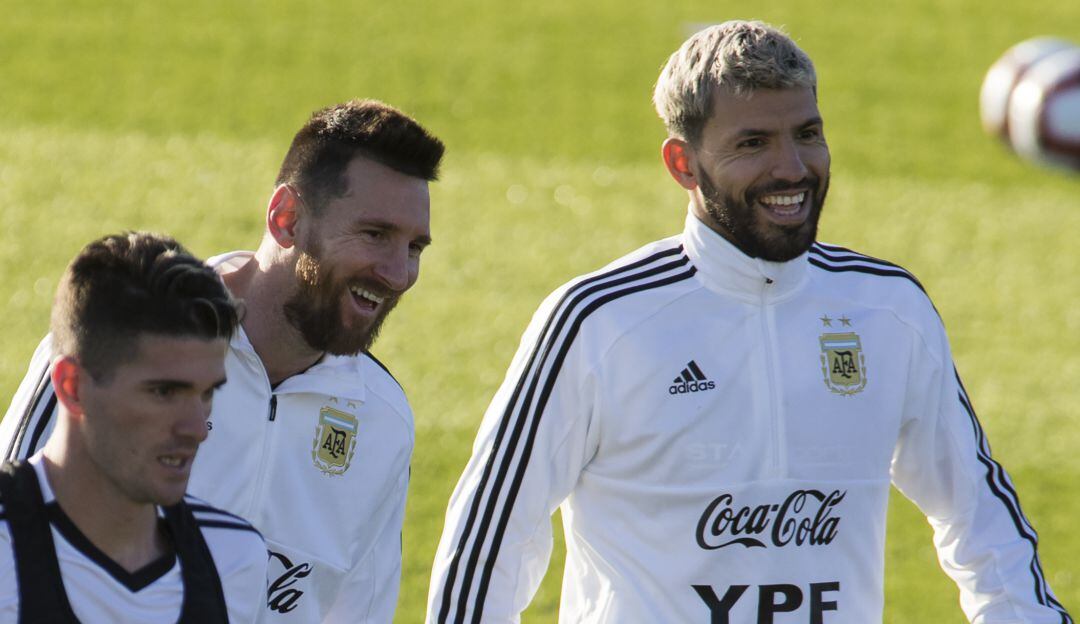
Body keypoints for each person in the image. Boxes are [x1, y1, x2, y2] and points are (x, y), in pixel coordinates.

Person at [427, 20, 1071, 624]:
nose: (792, 168)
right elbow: (489, 541)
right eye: (753, 144)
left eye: (807, 134)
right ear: (684, 164)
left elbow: (982, 523)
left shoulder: (887, 310)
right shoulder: (599, 321)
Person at [1, 99, 445, 622]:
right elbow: (17, 525)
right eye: (375, 234)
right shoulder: (123, 342)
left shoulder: (382, 418)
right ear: (287, 219)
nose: (397, 273)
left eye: (414, 247)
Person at [0, 232, 265, 622]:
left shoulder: (235, 558)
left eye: (207, 393)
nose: (197, 428)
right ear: (73, 387)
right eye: (163, 392)